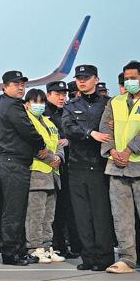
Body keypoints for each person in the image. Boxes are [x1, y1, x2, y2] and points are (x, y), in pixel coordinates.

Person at [99, 61, 140, 275]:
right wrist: (111, 151)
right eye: (126, 78)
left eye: (133, 78)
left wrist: (128, 151)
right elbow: (104, 127)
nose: (130, 82)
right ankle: (127, 259)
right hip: (116, 167)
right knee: (122, 216)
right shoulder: (114, 101)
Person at [62, 65, 114, 271]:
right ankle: (88, 257)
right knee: (82, 215)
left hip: (99, 165)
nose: (82, 81)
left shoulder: (107, 104)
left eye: (86, 77)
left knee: (101, 214)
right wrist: (91, 133)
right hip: (77, 166)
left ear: (96, 79)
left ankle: (104, 258)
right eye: (79, 78)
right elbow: (68, 128)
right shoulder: (71, 105)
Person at [0, 70, 46, 266]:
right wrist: (41, 145)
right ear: (5, 87)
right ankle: (11, 253)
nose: (21, 87)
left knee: (18, 209)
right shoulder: (12, 106)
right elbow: (27, 130)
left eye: (23, 84)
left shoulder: (11, 104)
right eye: (16, 84)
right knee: (13, 210)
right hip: (12, 162)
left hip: (14, 162)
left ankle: (20, 250)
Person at [23, 89, 65, 263]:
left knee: (49, 216)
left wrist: (59, 157)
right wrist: (50, 159)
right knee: (36, 215)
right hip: (37, 173)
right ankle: (34, 247)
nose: (39, 105)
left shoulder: (49, 123)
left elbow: (58, 143)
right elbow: (33, 146)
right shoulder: (27, 121)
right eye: (35, 102)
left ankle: (47, 247)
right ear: (27, 104)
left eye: (41, 102)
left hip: (52, 175)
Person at [46, 81, 80, 259]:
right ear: (48, 95)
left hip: (67, 165)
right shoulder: (43, 114)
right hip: (49, 165)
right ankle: (55, 245)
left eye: (63, 94)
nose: (61, 97)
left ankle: (67, 245)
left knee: (66, 207)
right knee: (52, 208)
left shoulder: (67, 110)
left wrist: (69, 141)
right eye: (57, 94)